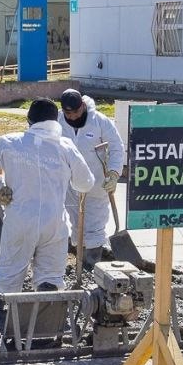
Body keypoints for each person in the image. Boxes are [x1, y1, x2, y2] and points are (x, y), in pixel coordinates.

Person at [0, 98, 94, 294]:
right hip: (54, 222)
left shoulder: (10, 142)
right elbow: (86, 182)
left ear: (29, 121)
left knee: (10, 270)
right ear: (55, 121)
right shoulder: (65, 146)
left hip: (20, 218)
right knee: (50, 275)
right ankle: (44, 315)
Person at [57, 89, 125, 266]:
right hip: (69, 185)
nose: (72, 117)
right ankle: (79, 261)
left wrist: (114, 173)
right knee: (76, 225)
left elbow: (117, 148)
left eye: (76, 112)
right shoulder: (57, 121)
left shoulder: (99, 121)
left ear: (83, 106)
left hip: (96, 184)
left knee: (94, 226)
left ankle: (91, 264)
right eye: (68, 113)